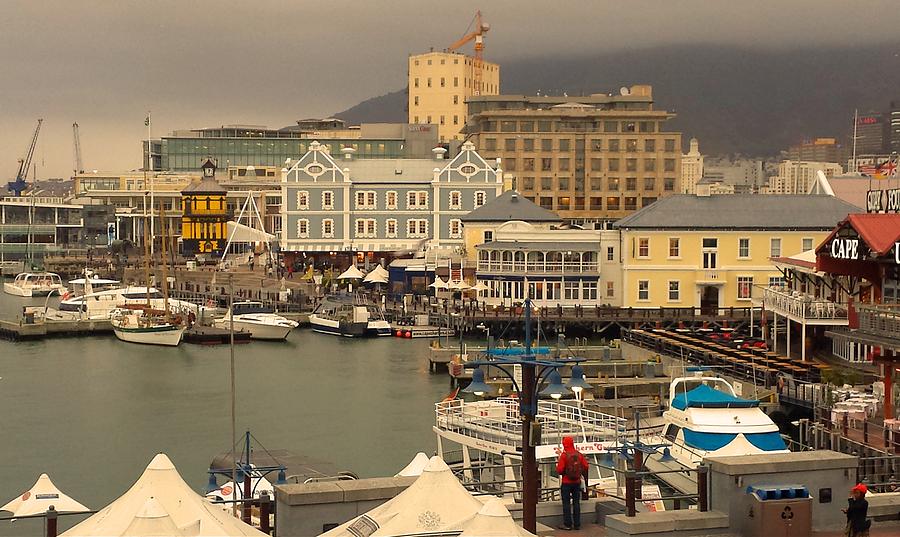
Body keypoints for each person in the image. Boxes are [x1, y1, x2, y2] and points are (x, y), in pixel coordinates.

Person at [556, 436, 588, 530]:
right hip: (577, 482)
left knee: (566, 504)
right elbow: (586, 466)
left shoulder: (564, 455)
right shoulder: (579, 454)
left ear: (564, 444)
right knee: (576, 503)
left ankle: (567, 524)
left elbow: (560, 470)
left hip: (566, 482)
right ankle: (577, 524)